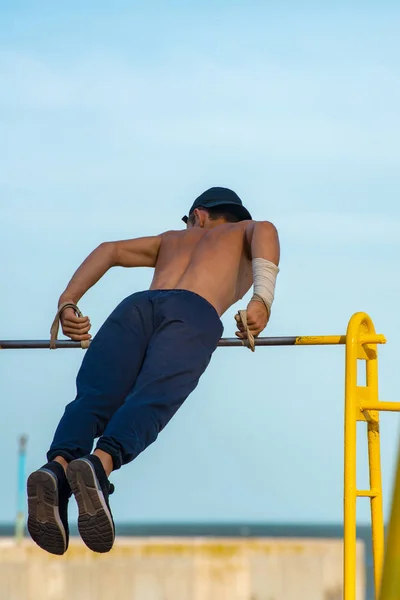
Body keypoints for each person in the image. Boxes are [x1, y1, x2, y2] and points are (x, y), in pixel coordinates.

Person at [27, 186, 280, 555]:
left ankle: (58, 466)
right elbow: (267, 231)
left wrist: (67, 304)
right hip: (192, 311)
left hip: (135, 308)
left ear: (199, 214)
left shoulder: (171, 240)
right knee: (153, 396)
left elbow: (108, 250)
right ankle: (100, 464)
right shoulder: (245, 231)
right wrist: (262, 300)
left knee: (93, 397)